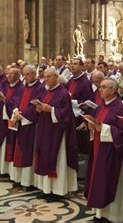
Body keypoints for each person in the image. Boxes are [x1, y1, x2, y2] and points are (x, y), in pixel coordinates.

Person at [85, 77, 123, 222]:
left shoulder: (120, 108)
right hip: (99, 149)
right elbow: (97, 126)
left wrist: (102, 128)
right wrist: (92, 126)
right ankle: (100, 214)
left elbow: (122, 132)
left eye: (103, 87)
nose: (100, 89)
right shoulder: (100, 106)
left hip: (111, 153)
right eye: (100, 87)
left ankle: (114, 216)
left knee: (109, 182)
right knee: (97, 181)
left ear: (113, 90)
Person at [32, 67, 78, 197]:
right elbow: (39, 107)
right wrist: (39, 109)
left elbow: (67, 115)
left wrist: (51, 110)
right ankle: (46, 189)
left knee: (57, 159)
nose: (46, 79)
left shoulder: (63, 93)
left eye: (49, 77)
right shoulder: (44, 92)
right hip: (44, 130)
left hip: (57, 133)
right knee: (44, 157)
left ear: (56, 77)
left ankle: (57, 191)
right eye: (45, 77)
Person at [10, 65, 45, 187]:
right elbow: (16, 101)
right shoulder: (23, 87)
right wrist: (16, 112)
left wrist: (23, 115)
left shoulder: (40, 88)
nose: (25, 77)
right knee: (19, 150)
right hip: (21, 123)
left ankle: (28, 181)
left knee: (28, 152)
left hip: (31, 125)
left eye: (28, 74)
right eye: (24, 74)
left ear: (34, 74)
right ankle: (19, 179)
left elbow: (37, 106)